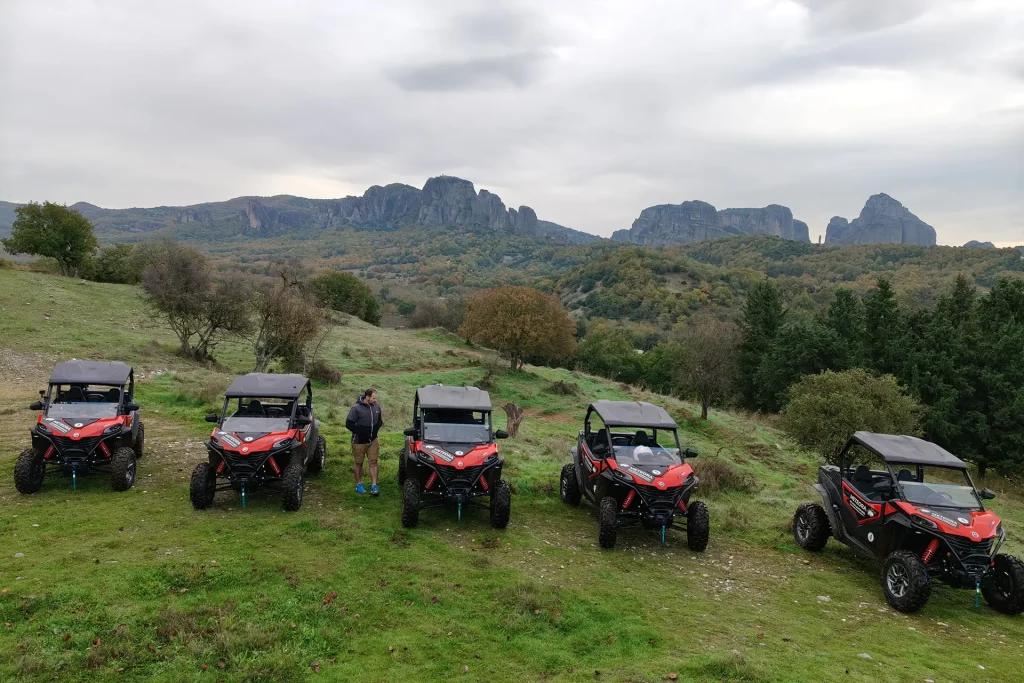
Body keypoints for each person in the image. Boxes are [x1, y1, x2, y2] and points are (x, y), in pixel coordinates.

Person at [346, 388, 383, 495]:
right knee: (359, 463)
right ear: (367, 397)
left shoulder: (377, 406)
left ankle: (374, 486)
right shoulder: (356, 408)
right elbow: (349, 424)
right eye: (373, 398)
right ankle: (359, 485)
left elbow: (380, 420)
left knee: (373, 462)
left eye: (376, 398)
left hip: (373, 441)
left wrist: (376, 428)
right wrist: (361, 431)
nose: (375, 400)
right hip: (359, 441)